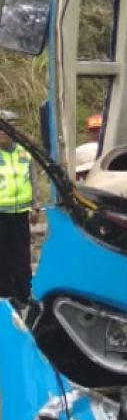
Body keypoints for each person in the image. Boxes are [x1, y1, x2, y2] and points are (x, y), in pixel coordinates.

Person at [0, 111, 40, 302]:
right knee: (3, 256)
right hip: (1, 213)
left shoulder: (24, 152)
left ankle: (24, 293)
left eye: (7, 128)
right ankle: (6, 295)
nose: (2, 133)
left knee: (22, 254)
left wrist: (36, 205)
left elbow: (33, 179)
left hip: (21, 212)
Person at [75, 113, 103, 180]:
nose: (97, 133)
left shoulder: (111, 149)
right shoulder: (80, 151)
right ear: (87, 133)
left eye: (100, 130)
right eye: (94, 131)